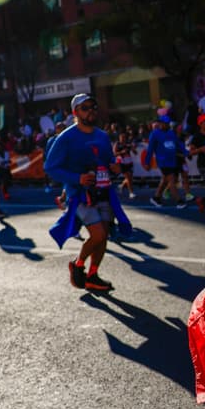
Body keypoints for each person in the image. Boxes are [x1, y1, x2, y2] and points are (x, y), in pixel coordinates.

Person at [44, 94, 129, 291]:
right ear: (75, 112)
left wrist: (114, 167)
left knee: (104, 235)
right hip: (79, 195)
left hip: (103, 191)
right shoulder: (65, 137)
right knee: (97, 234)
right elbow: (50, 167)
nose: (90, 110)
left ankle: (93, 275)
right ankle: (78, 264)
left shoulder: (101, 136)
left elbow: (108, 160)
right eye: (85, 108)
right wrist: (77, 178)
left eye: (93, 106)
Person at [145, 115, 187, 209]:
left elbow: (178, 144)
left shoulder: (171, 133)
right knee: (172, 180)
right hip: (163, 161)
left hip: (172, 161)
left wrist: (186, 152)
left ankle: (156, 198)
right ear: (160, 123)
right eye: (165, 123)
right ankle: (179, 201)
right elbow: (150, 149)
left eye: (168, 123)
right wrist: (147, 163)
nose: (167, 125)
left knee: (165, 180)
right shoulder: (155, 134)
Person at [113, 132, 136, 199]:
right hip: (121, 162)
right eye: (122, 138)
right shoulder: (117, 144)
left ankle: (121, 186)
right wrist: (121, 152)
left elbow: (135, 152)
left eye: (124, 138)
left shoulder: (128, 144)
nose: (123, 139)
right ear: (119, 138)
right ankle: (131, 193)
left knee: (130, 178)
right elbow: (114, 154)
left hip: (129, 162)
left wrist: (133, 149)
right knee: (128, 177)